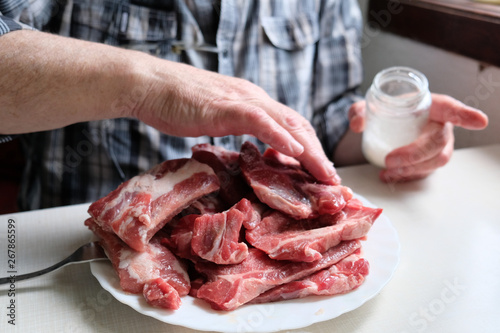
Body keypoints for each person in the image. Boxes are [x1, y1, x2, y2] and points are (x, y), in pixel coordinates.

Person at [0, 0, 488, 211]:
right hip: (84, 260)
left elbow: (329, 119)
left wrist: (391, 130)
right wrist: (148, 84)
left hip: (259, 277)